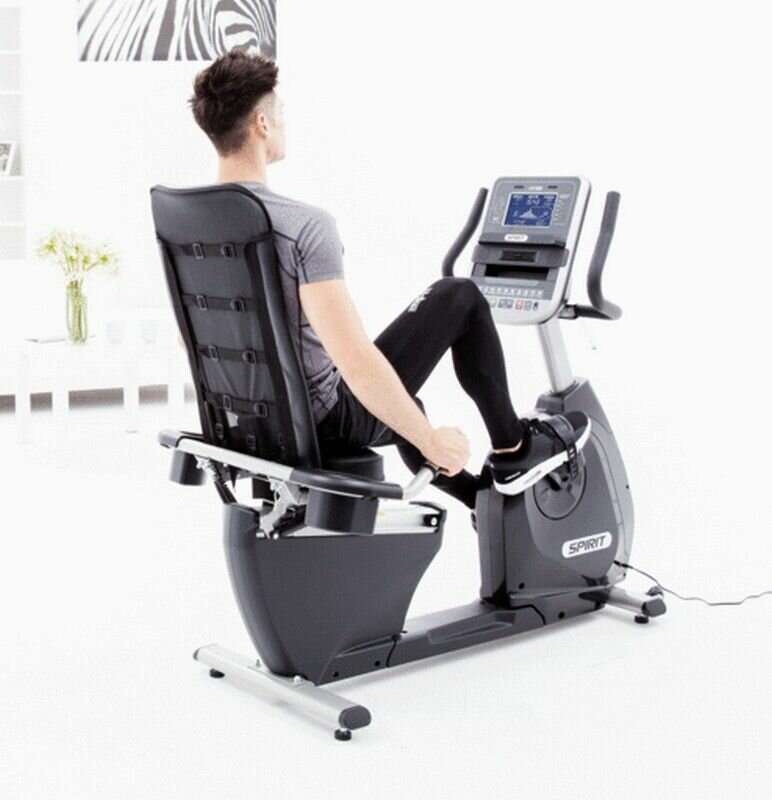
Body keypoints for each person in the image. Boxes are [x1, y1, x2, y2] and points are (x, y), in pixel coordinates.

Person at [188, 50, 589, 509]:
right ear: (261, 124)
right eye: (279, 113)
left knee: (406, 404)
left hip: (246, 420)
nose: (283, 123)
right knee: (459, 294)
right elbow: (355, 360)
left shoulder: (191, 222)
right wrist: (431, 441)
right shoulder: (302, 226)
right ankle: (514, 449)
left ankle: (477, 501)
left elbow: (194, 341)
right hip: (322, 421)